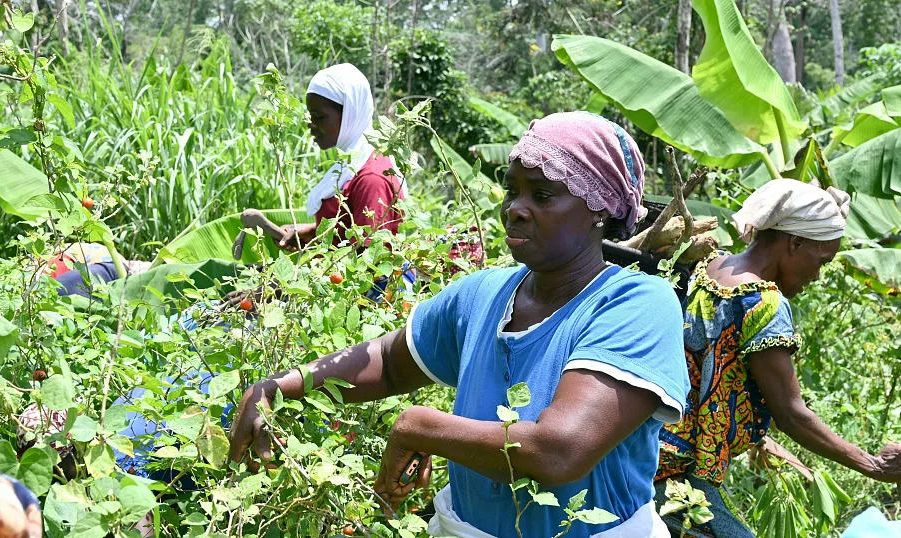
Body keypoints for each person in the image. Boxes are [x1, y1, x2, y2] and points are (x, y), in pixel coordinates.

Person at [228, 112, 691, 537]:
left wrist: (420, 426)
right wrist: (278, 387)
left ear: (601, 209)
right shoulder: (485, 294)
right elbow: (390, 362)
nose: (515, 208)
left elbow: (559, 450)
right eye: (512, 191)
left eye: (543, 195)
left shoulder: (636, 305)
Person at [655, 179, 901, 538]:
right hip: (679, 471)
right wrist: (873, 465)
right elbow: (791, 413)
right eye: (821, 260)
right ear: (794, 242)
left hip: (652, 450)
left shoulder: (711, 266)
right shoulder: (764, 303)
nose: (818, 275)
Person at [277, 63, 405, 251]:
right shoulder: (352, 165)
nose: (310, 125)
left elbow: (368, 263)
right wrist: (314, 234)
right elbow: (349, 231)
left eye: (319, 117)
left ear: (349, 115)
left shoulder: (371, 179)